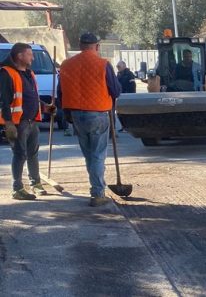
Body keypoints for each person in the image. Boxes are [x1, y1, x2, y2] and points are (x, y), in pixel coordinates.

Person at [57, 33, 121, 206]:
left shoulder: (66, 65)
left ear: (80, 45)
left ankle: (95, 188)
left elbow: (60, 92)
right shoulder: (103, 64)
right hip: (98, 113)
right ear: (97, 46)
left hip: (76, 115)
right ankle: (98, 193)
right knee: (98, 154)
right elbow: (116, 90)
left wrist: (65, 113)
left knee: (89, 155)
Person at [0, 43, 56, 200]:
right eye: (29, 54)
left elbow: (32, 96)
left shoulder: (29, 73)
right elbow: (4, 100)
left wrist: (45, 107)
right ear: (19, 56)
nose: (32, 57)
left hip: (32, 121)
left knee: (33, 154)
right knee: (20, 155)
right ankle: (17, 189)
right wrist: (9, 124)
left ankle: (35, 184)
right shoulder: (6, 73)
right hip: (19, 123)